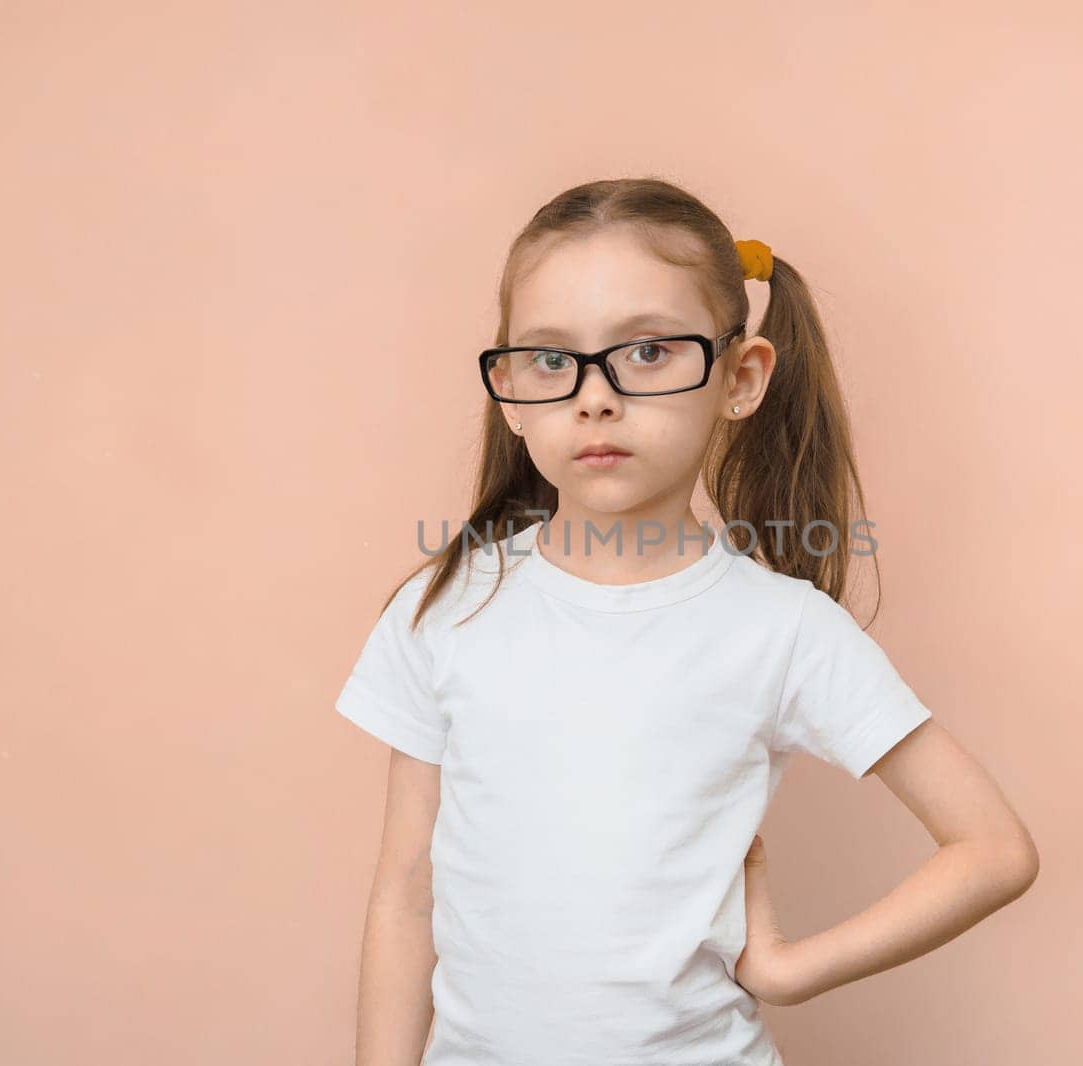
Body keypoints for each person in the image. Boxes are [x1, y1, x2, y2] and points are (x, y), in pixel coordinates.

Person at [335, 177, 1040, 1066]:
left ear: (739, 379)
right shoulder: (447, 606)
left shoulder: (783, 631)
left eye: (648, 352)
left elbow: (993, 848)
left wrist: (792, 970)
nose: (595, 397)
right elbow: (406, 889)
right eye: (552, 360)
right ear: (510, 393)